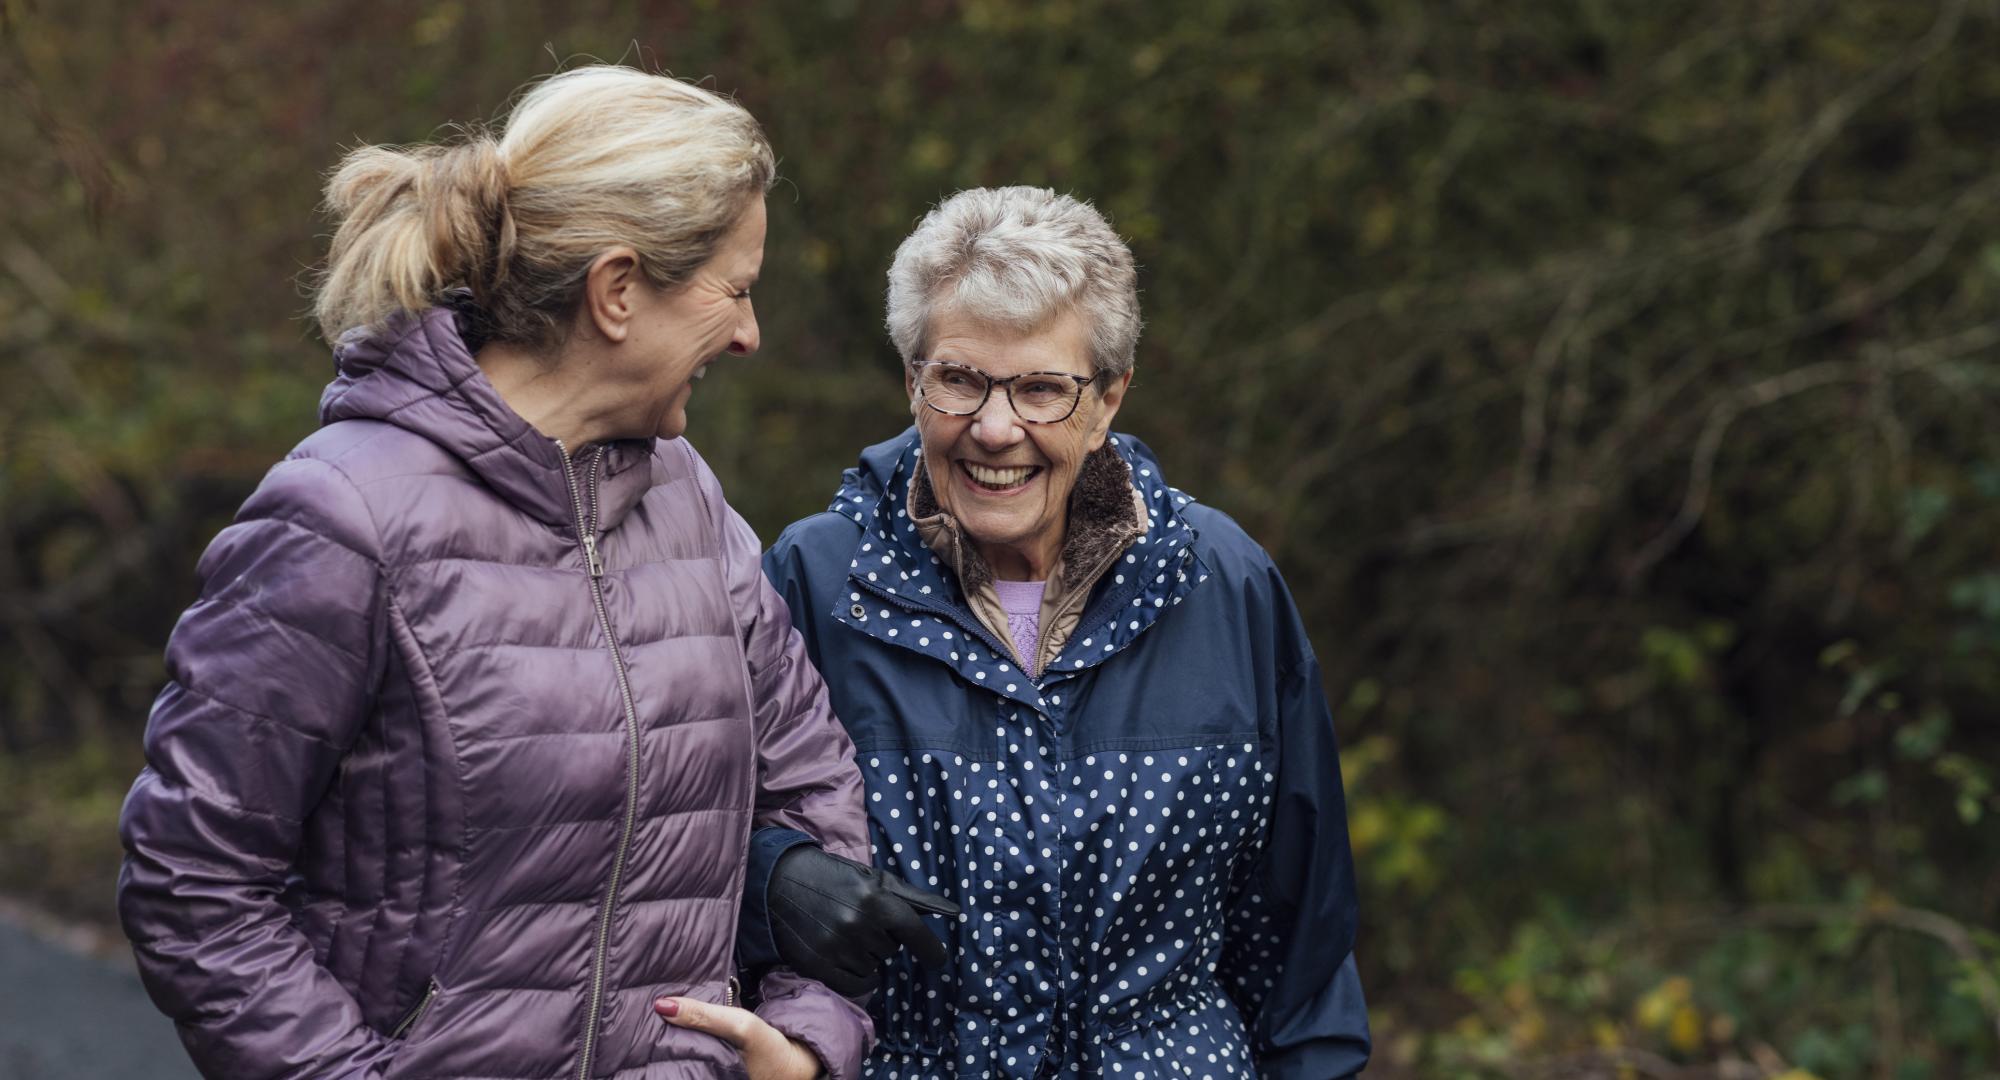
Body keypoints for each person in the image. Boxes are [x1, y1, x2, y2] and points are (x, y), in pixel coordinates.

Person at [118, 66, 879, 1080]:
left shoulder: (689, 501)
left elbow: (812, 791)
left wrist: (803, 1040)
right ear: (616, 291)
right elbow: (193, 881)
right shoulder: (346, 518)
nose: (748, 333)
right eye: (734, 291)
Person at [758, 187, 1372, 1078]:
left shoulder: (1226, 584)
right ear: (912, 381)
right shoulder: (816, 582)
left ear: (1110, 397)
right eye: (959, 380)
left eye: (1043, 388)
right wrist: (772, 882)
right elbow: (692, 843)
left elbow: (1301, 955)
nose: (995, 428)